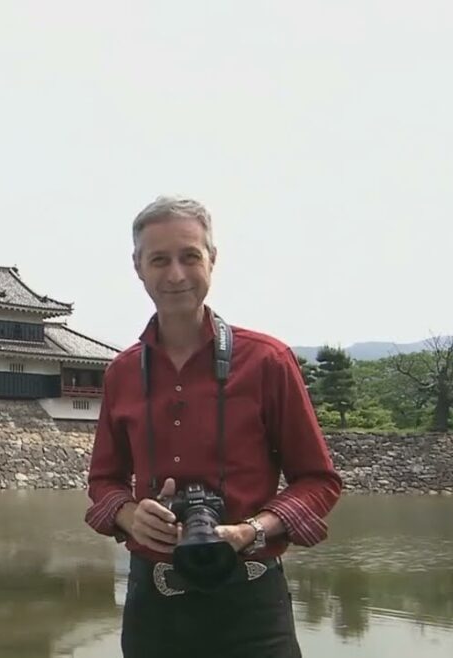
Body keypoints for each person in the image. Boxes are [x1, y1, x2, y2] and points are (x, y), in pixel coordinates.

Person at [85, 196, 342, 657]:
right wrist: (130, 516)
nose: (176, 275)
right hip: (154, 610)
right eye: (159, 260)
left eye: (190, 256)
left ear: (213, 259)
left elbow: (318, 481)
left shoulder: (267, 361)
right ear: (138, 267)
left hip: (252, 608)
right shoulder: (121, 373)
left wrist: (251, 530)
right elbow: (103, 482)